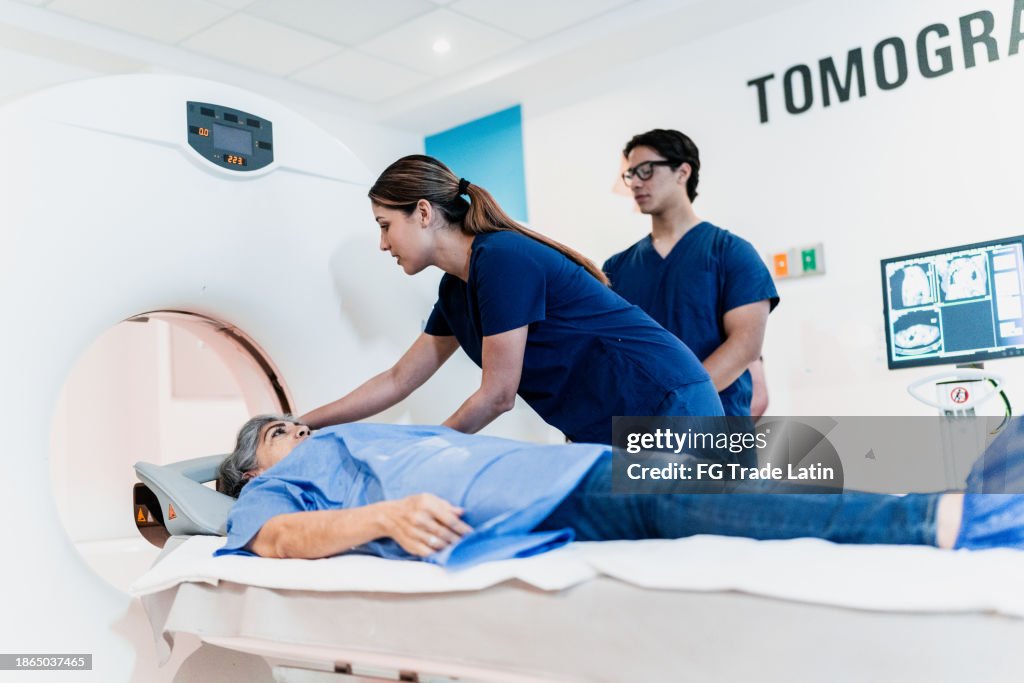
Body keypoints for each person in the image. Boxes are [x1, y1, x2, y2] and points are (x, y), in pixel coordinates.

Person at [215, 414, 1024, 570]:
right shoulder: (279, 485)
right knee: (684, 497)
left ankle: (969, 471)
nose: (301, 424)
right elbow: (278, 543)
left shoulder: (369, 435)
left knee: (780, 450)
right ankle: (939, 519)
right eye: (280, 427)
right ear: (257, 462)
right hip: (537, 501)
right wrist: (383, 515)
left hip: (571, 461)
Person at [301, 155, 723, 445]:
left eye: (385, 225)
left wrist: (427, 450)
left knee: (704, 538)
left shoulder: (501, 258)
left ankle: (789, 484)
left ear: (424, 213)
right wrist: (299, 423)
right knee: (646, 550)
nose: (382, 243)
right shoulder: (456, 289)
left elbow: (497, 395)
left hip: (667, 404)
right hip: (607, 423)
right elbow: (397, 380)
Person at [603, 129, 779, 417]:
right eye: (630, 174)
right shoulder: (616, 269)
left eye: (646, 171)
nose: (635, 182)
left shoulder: (731, 252)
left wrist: (676, 406)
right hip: (642, 436)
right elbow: (609, 353)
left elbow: (744, 346)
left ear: (682, 172)